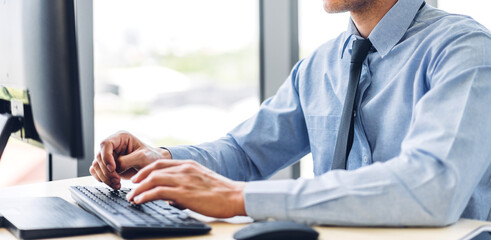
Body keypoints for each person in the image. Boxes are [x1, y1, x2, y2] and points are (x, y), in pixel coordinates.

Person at [90, 0, 491, 226]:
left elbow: (432, 186)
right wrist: (165, 161)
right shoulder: (321, 65)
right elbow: (246, 153)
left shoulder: (464, 51)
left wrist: (238, 198)